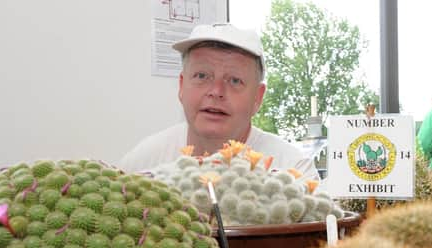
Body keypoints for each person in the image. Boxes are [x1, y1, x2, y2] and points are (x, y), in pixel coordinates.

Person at [118, 23, 318, 180]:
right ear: (181, 86)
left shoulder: (294, 171)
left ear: (258, 97)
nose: (216, 91)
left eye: (234, 80)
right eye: (202, 75)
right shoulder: (141, 165)